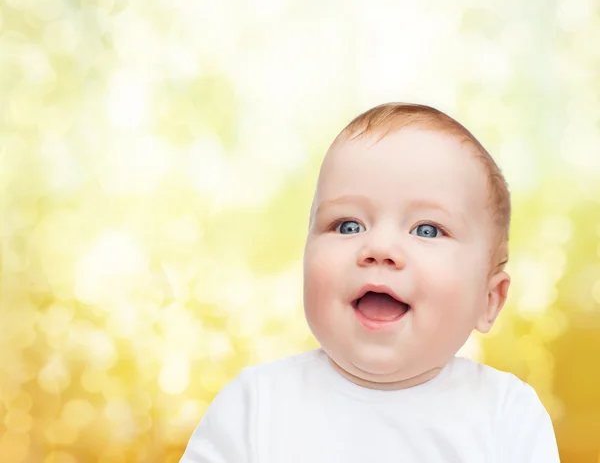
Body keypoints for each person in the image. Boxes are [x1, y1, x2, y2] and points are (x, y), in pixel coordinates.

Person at [180, 103, 560, 462]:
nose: (379, 248)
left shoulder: (506, 413)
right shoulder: (255, 404)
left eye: (426, 230)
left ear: (489, 300)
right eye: (348, 225)